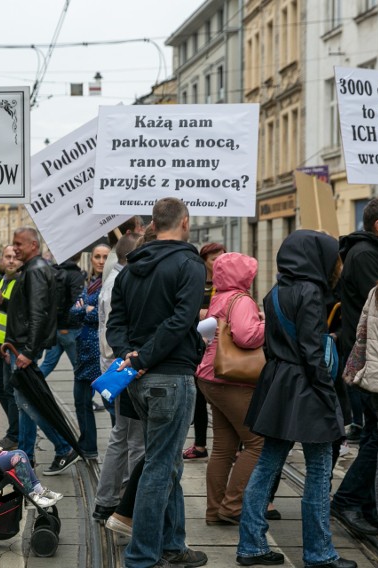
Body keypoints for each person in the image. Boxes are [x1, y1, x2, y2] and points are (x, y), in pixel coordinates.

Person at [237, 230, 354, 568]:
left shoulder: (275, 292)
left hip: (277, 385)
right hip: (306, 388)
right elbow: (312, 352)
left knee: (266, 466)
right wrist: (327, 393)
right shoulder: (312, 292)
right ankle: (319, 553)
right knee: (319, 470)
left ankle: (251, 545)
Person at [107, 197, 208, 568]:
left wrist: (131, 356)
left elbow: (115, 323)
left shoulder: (129, 269)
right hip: (170, 376)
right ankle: (143, 555)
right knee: (160, 467)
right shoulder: (189, 263)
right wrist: (145, 357)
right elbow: (183, 320)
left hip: (137, 378)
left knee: (166, 464)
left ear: (153, 223)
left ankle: (172, 544)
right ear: (184, 223)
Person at [0, 227, 78, 476]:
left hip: (24, 347)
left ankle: (63, 447)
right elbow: (26, 309)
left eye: (19, 244)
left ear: (33, 244)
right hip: (19, 345)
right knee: (25, 403)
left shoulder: (35, 271)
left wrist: (29, 352)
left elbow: (38, 314)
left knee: (29, 402)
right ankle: (25, 455)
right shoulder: (32, 269)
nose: (15, 248)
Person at [195, 253, 265, 526]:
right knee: (258, 443)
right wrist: (265, 323)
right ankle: (232, 507)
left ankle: (215, 511)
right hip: (230, 379)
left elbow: (209, 332)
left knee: (223, 447)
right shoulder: (242, 300)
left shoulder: (219, 297)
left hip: (209, 376)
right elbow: (247, 336)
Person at [330, 198, 378, 537]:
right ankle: (348, 500)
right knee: (375, 436)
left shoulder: (365, 252)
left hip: (371, 358)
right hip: (369, 361)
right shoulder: (365, 256)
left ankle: (363, 504)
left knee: (375, 435)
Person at [92, 234, 145, 522]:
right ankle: (131, 503)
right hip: (122, 368)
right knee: (134, 440)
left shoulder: (115, 278)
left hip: (116, 367)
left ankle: (107, 500)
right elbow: (116, 330)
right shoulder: (121, 282)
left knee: (122, 435)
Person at [183, 242, 226, 461]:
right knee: (198, 396)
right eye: (213, 259)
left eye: (222, 258)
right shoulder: (196, 282)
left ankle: (232, 446)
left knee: (225, 396)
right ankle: (200, 444)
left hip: (223, 348)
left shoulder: (228, 283)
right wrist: (196, 313)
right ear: (204, 261)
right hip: (197, 345)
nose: (218, 263)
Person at [68, 243, 111, 458]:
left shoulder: (112, 283)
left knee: (109, 401)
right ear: (91, 259)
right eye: (97, 257)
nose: (101, 261)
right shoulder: (92, 283)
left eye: (105, 256)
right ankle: (87, 445)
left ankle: (117, 449)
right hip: (85, 350)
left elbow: (105, 315)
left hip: (101, 350)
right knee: (81, 400)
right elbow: (73, 312)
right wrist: (86, 309)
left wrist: (85, 310)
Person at [0, 244, 22, 450]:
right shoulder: (1, 281)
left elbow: (18, 313)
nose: (10, 260)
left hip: (10, 345)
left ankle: (15, 433)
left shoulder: (20, 282)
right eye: (7, 256)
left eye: (14, 257)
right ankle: (15, 428)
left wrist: (2, 300)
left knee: (10, 390)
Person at [39, 252, 86, 379]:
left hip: (55, 328)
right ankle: (84, 399)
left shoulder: (53, 272)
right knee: (80, 367)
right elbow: (77, 303)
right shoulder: (75, 275)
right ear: (78, 256)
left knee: (48, 363)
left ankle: (28, 386)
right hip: (70, 329)